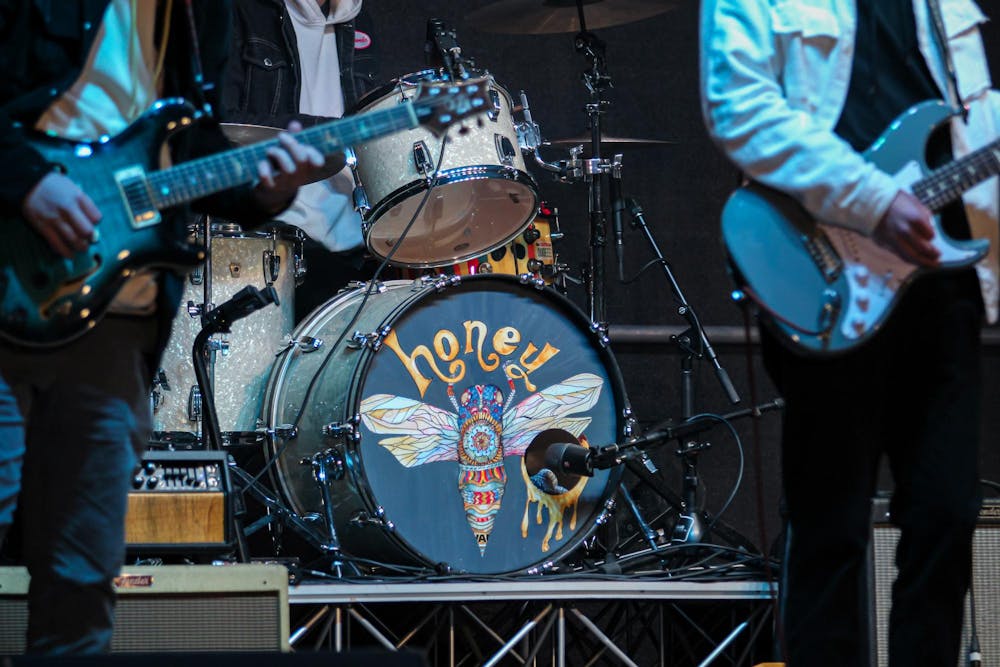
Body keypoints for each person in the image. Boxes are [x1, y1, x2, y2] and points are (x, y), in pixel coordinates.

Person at [0, 0, 332, 654]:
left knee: (78, 595)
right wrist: (27, 182)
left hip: (116, 321)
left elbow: (184, 152)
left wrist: (266, 190)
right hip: (9, 283)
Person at [701, 0, 999, 665]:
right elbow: (737, 107)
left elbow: (967, 110)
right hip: (827, 266)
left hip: (941, 273)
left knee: (947, 515)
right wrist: (871, 199)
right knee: (831, 529)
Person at [222, 0, 381, 320]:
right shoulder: (239, 13)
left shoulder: (360, 17)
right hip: (273, 241)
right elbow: (226, 124)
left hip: (359, 243)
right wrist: (322, 130)